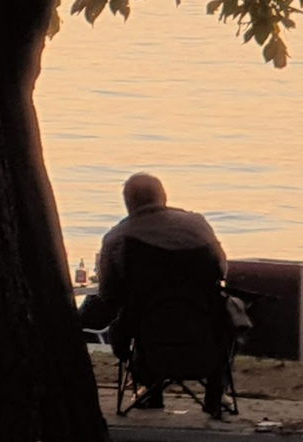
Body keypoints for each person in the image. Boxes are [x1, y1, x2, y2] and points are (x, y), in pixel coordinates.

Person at [90, 172, 230, 411]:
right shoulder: (197, 225)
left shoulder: (118, 237)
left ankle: (149, 387)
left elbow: (108, 294)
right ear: (163, 197)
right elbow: (221, 270)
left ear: (128, 203)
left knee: (123, 324)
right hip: (205, 323)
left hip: (147, 327)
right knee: (229, 314)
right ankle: (216, 391)